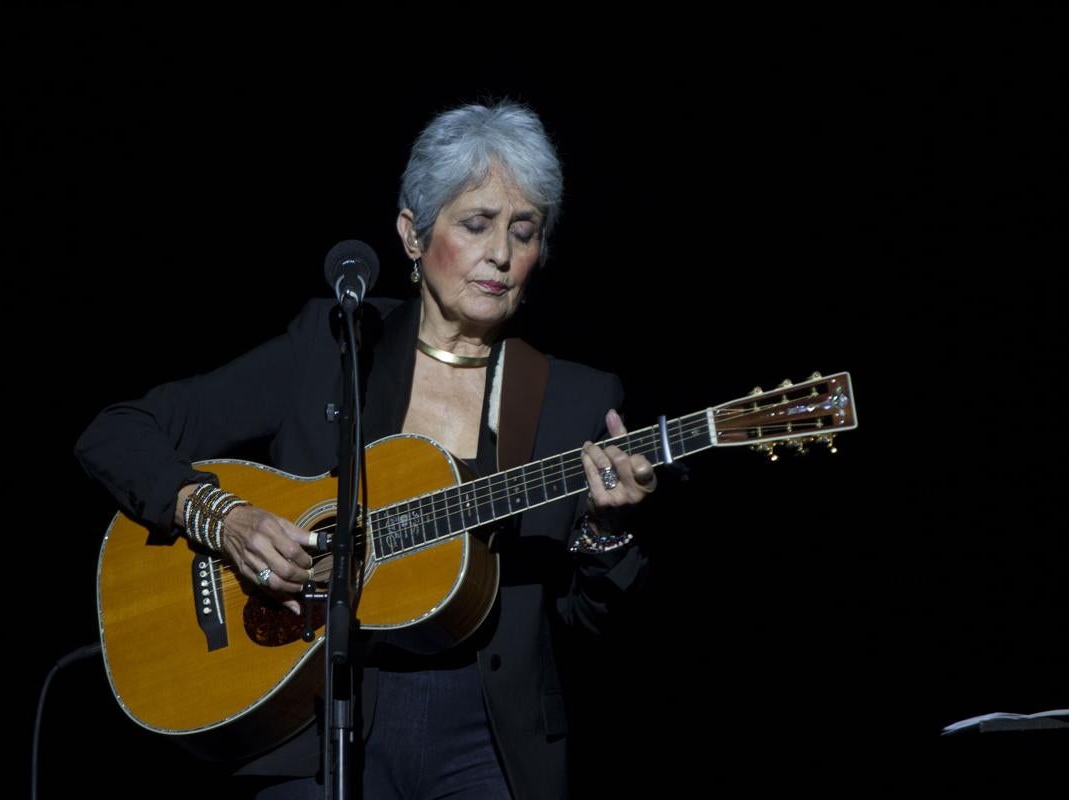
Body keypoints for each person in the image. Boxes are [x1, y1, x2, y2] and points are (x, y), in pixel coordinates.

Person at [76, 100, 654, 799]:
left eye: (523, 231)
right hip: (317, 720)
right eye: (476, 224)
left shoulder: (573, 398)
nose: (501, 254)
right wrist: (222, 517)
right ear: (413, 233)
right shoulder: (331, 345)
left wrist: (606, 529)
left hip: (487, 740)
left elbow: (587, 622)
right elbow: (116, 431)